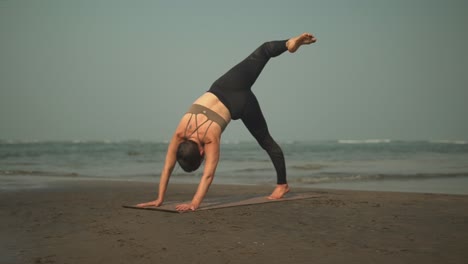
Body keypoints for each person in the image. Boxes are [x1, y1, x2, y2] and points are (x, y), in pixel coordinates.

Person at [137, 32, 317, 212]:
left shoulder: (209, 139)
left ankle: (282, 186)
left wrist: (194, 203)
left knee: (267, 142)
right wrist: (159, 198)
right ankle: (288, 44)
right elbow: (167, 167)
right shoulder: (179, 133)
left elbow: (208, 175)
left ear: (201, 152)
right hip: (227, 85)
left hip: (241, 105)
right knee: (263, 51)